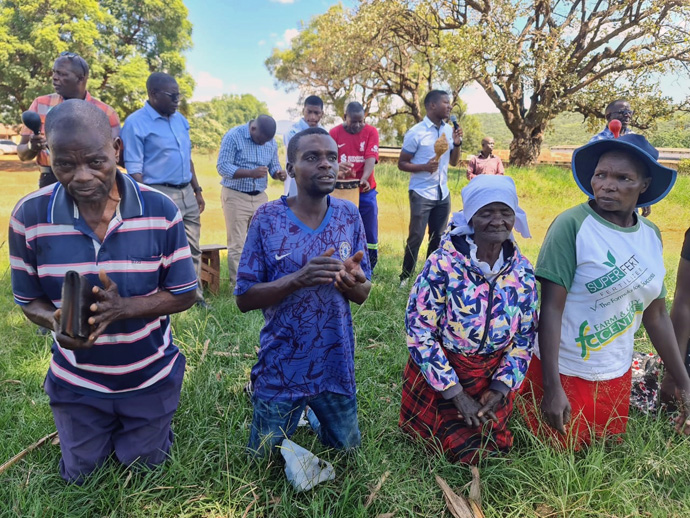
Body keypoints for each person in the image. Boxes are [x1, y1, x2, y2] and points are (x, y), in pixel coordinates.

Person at [8, 100, 198, 483]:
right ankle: (95, 426)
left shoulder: (160, 210)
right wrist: (54, 319)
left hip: (149, 375)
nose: (81, 176)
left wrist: (124, 308)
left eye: (95, 161)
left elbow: (185, 293)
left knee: (143, 469)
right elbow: (28, 300)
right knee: (81, 475)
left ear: (116, 149)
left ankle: (147, 426)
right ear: (48, 157)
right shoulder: (29, 216)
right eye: (65, 163)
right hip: (77, 381)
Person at [521, 133, 690, 449]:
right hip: (566, 371)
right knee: (552, 458)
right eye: (601, 175)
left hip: (615, 373)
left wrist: (683, 380)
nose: (607, 185)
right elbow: (551, 309)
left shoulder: (651, 235)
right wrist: (552, 387)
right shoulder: (571, 226)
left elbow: (656, 314)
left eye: (623, 178)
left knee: (604, 453)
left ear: (644, 184)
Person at [235, 127, 372, 457]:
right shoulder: (267, 218)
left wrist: (352, 281)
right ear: (291, 167)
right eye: (312, 157)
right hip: (282, 363)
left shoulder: (348, 215)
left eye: (331, 157)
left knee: (347, 452)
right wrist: (297, 279)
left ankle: (316, 415)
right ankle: (297, 412)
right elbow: (244, 298)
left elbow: (363, 293)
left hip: (335, 362)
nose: (326, 165)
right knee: (262, 459)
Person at [399, 175, 537, 463]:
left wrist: (500, 388)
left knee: (491, 443)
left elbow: (525, 336)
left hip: (491, 374)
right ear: (471, 217)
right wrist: (455, 392)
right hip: (447, 372)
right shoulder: (442, 264)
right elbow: (419, 330)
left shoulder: (522, 271)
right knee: (449, 447)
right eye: (486, 212)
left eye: (505, 212)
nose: (497, 221)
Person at [121, 72, 207, 307]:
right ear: (153, 94)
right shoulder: (135, 123)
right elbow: (134, 169)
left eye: (179, 94)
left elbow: (187, 159)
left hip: (186, 192)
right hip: (158, 192)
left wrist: (197, 191)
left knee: (192, 247)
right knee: (156, 251)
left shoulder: (180, 120)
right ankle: (159, 298)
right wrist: (145, 200)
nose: (177, 99)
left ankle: (194, 297)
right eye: (172, 95)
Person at [18, 51, 120, 188]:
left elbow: (113, 156)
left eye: (62, 74)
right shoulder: (40, 104)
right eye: (54, 72)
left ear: (80, 78)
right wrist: (32, 146)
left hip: (92, 180)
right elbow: (22, 154)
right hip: (50, 180)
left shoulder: (106, 113)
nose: (54, 77)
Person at [398, 90, 463, 287]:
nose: (450, 106)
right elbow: (402, 163)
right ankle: (405, 277)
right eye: (446, 102)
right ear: (432, 105)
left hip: (442, 193)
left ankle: (429, 278)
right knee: (416, 236)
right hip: (421, 192)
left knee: (439, 237)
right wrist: (423, 167)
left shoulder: (448, 132)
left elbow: (453, 162)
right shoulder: (416, 132)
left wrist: (458, 143)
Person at [217, 115, 287, 285]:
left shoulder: (270, 141)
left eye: (267, 141)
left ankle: (260, 281)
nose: (264, 144)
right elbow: (222, 166)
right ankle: (240, 285)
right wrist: (250, 173)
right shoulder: (234, 136)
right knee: (238, 244)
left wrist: (278, 173)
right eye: (260, 140)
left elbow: (273, 165)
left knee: (263, 241)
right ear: (253, 129)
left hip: (260, 197)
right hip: (236, 196)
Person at [329, 102, 380, 269]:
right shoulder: (334, 133)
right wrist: (336, 168)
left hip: (365, 190)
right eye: (353, 121)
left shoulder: (371, 132)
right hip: (341, 191)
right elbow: (328, 160)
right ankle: (339, 262)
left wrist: (365, 178)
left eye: (361, 121)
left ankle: (370, 264)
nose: (357, 125)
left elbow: (370, 157)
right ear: (345, 118)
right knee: (340, 228)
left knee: (369, 229)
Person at [589, 99, 651, 217]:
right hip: (602, 201)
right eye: (622, 112)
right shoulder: (597, 142)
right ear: (608, 116)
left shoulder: (637, 140)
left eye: (629, 112)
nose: (627, 115)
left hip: (629, 203)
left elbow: (643, 172)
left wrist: (645, 198)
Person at [283, 95, 325, 196]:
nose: (312, 117)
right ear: (303, 111)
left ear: (322, 113)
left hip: (318, 186)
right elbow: (302, 157)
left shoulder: (325, 133)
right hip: (296, 186)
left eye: (316, 113)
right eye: (309, 112)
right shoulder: (292, 132)